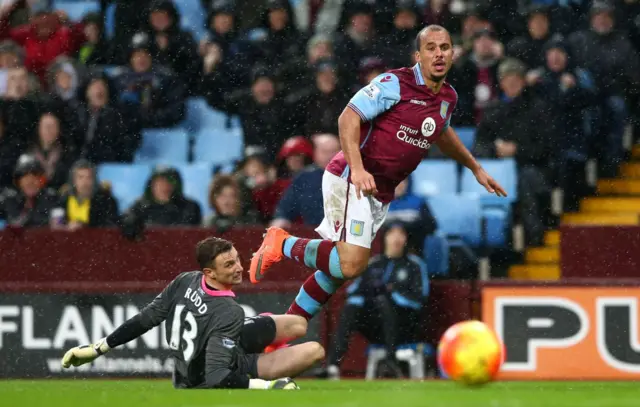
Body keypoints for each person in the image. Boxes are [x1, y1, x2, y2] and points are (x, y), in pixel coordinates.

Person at [249, 24, 506, 321]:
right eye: (431, 48)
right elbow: (348, 117)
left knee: (339, 267)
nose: (438, 54)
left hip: (379, 192)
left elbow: (442, 132)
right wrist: (357, 169)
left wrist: (475, 168)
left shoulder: (448, 97)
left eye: (444, 47)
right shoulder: (394, 83)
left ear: (453, 54)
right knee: (354, 262)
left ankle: (290, 323)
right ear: (418, 55)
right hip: (351, 177)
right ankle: (282, 243)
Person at [61, 237, 324, 390]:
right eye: (229, 264)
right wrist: (267, 386)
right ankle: (262, 359)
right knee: (315, 351)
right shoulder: (228, 311)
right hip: (211, 372)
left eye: (237, 259)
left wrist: (98, 348)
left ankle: (263, 348)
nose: (239, 268)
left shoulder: (186, 279)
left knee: (298, 325)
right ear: (209, 273)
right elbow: (217, 377)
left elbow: (145, 319)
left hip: (200, 356)